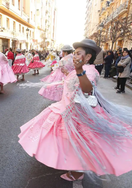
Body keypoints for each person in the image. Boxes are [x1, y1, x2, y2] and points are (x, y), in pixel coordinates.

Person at [18, 39, 132, 182]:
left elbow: (88, 89)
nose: (74, 56)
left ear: (88, 57)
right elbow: (74, 84)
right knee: (70, 142)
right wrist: (68, 73)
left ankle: (77, 172)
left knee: (77, 143)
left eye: (78, 53)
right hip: (68, 110)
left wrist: (78, 71)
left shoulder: (89, 71)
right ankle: (74, 168)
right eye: (75, 53)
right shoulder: (80, 69)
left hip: (78, 115)